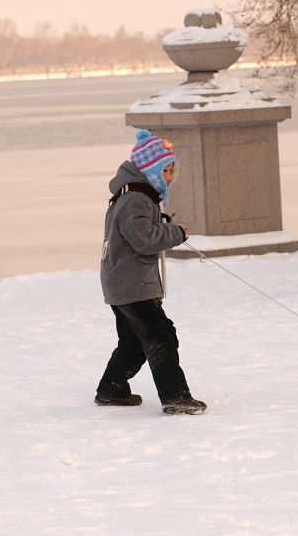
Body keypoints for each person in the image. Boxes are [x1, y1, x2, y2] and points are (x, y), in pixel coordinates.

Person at [95, 129, 207, 415]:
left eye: (171, 170)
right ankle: (175, 395)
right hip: (131, 283)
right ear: (150, 170)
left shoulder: (133, 194)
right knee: (161, 336)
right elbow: (143, 239)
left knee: (133, 341)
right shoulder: (136, 199)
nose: (169, 177)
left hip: (121, 281)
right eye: (165, 170)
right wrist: (175, 232)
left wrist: (162, 224)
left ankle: (112, 388)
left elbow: (139, 231)